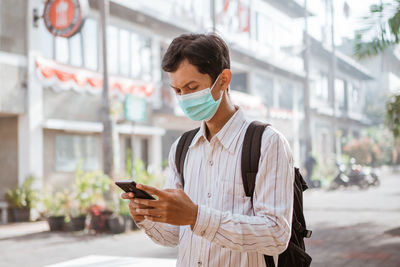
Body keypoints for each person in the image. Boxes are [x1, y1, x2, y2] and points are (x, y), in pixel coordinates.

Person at [121, 33, 294, 267]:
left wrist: (196, 216)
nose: (185, 98)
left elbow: (276, 235)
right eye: (178, 91)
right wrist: (148, 216)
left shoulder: (267, 143)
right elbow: (174, 235)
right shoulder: (182, 148)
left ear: (223, 80)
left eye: (192, 87)